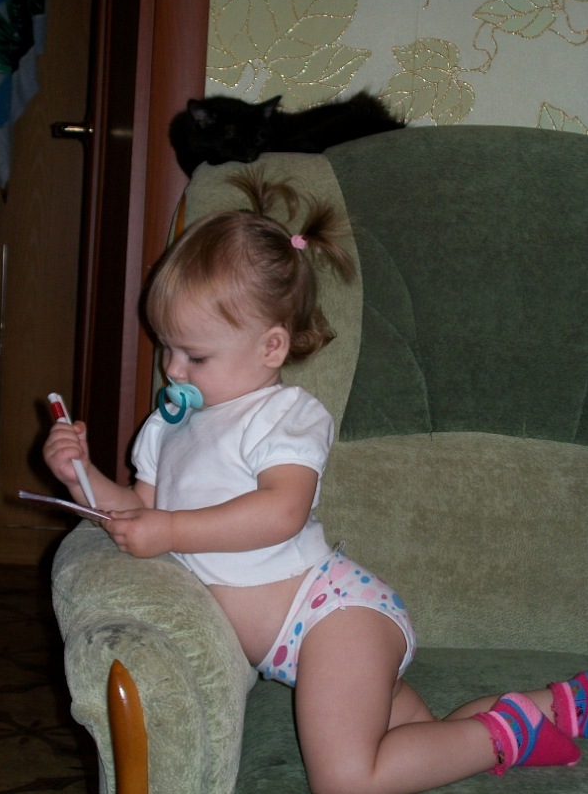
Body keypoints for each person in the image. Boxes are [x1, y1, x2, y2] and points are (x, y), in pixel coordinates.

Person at [44, 169, 585, 794]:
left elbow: (283, 511)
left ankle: (504, 733)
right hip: (302, 653)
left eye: (196, 355)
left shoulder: (282, 414)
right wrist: (81, 476)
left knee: (346, 780)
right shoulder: (167, 430)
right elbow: (134, 511)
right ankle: (549, 709)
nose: (174, 370)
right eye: (167, 348)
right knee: (420, 744)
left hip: (335, 619)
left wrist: (169, 530)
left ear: (271, 347)